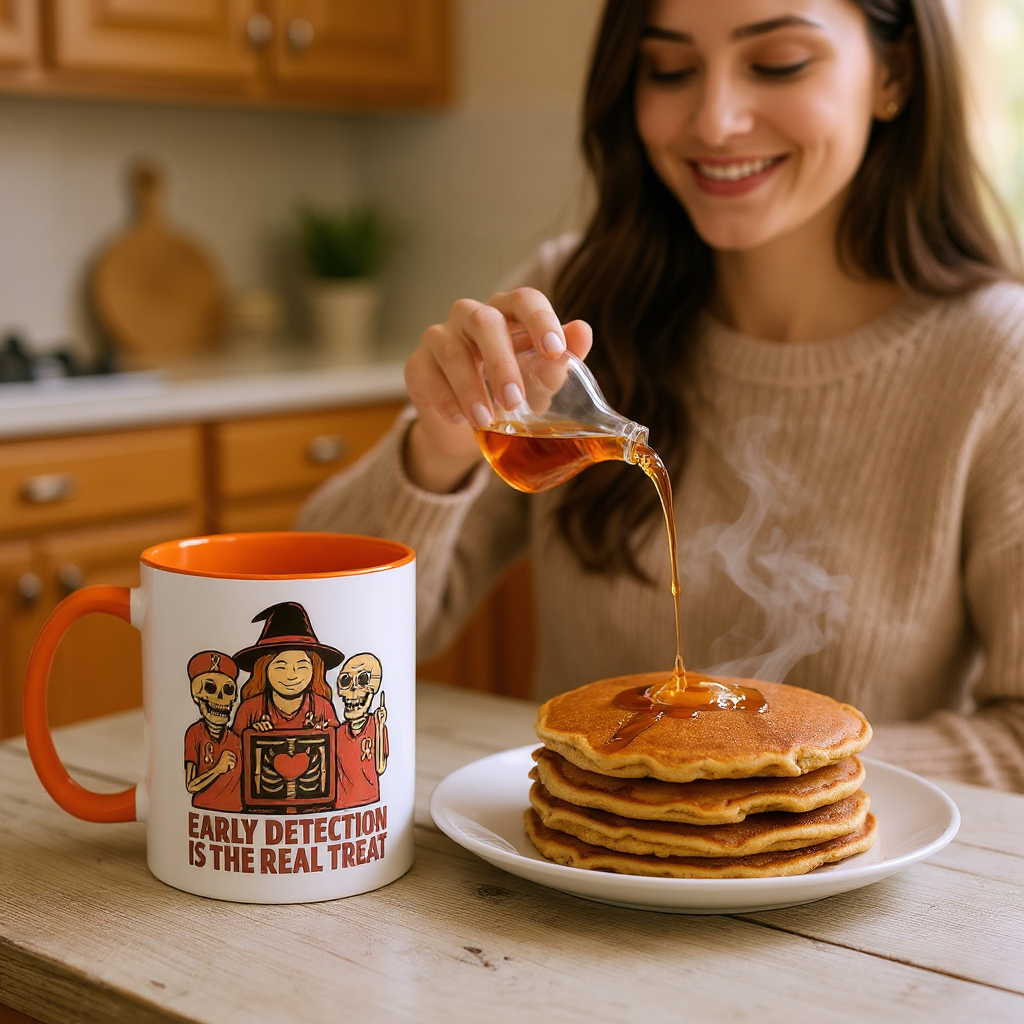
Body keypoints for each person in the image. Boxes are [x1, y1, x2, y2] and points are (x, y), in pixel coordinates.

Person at [299, 0, 1024, 791]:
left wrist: (770, 762)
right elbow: (322, 637)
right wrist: (437, 447)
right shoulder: (574, 308)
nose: (713, 121)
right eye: (669, 69)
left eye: (778, 62)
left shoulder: (998, 359)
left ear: (895, 74)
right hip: (569, 884)